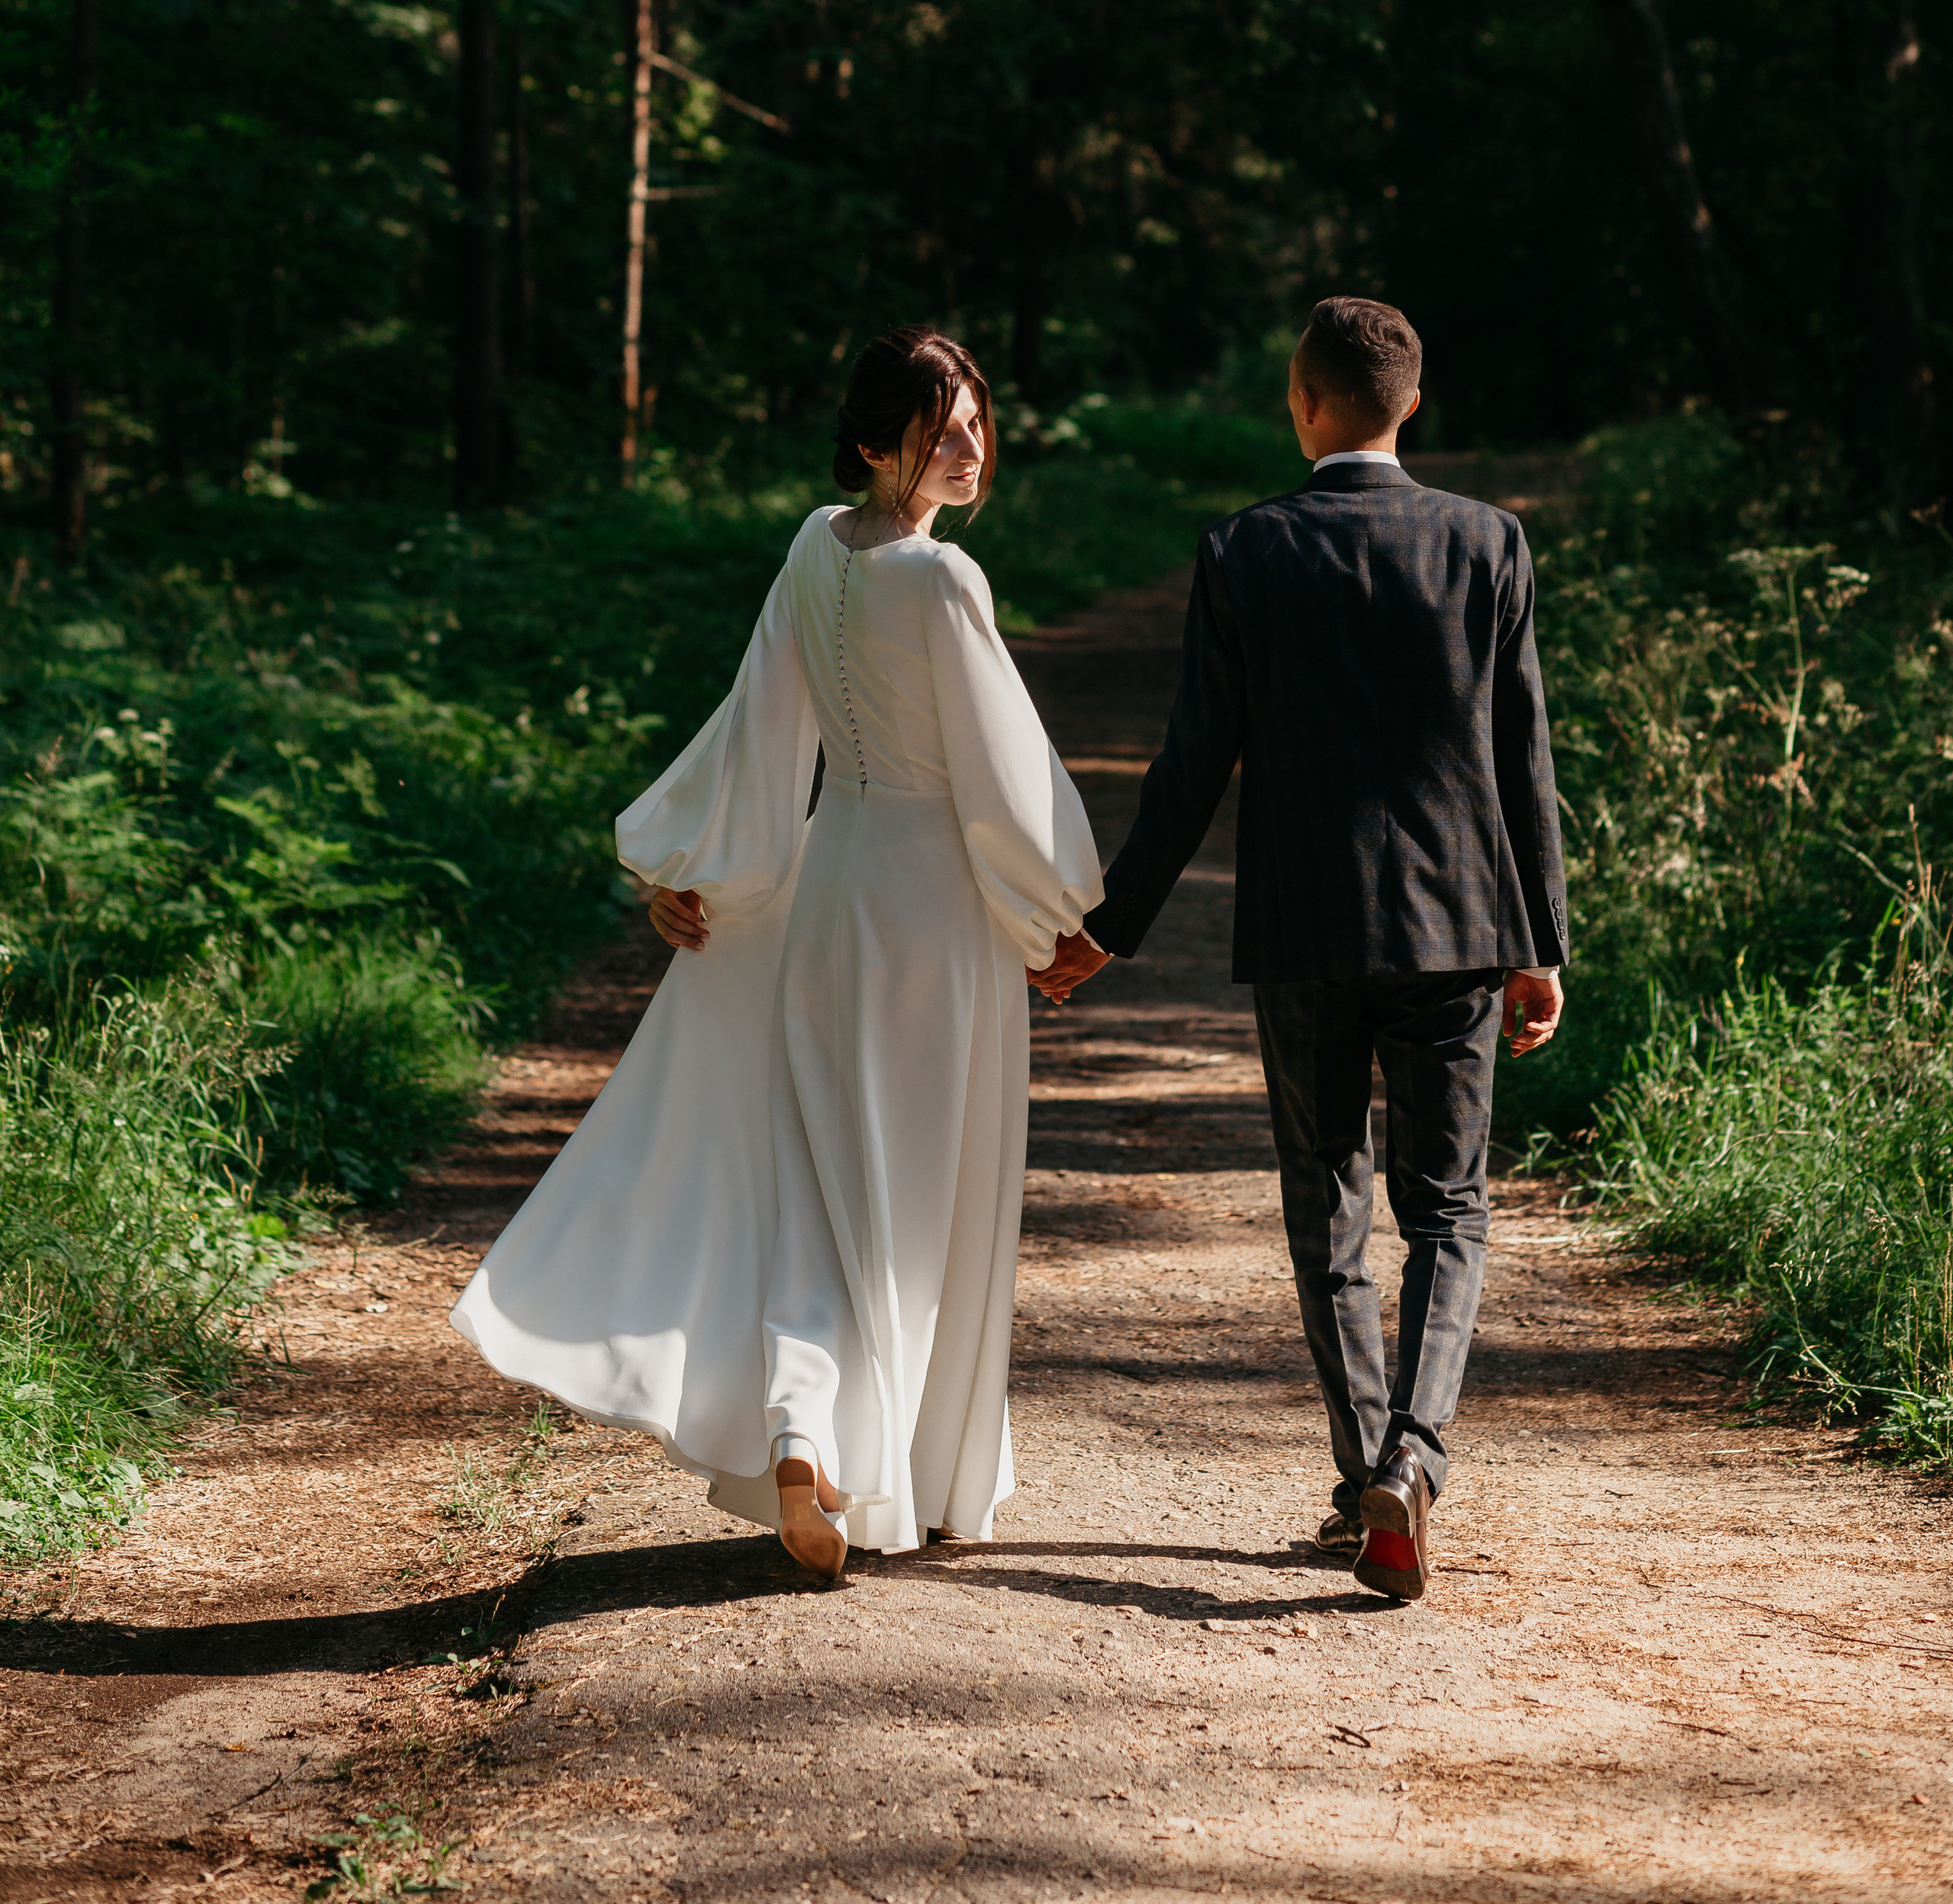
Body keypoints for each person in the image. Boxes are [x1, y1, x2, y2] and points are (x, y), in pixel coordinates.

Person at [449, 325, 1101, 1584]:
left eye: (975, 421)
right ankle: (908, 1466)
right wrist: (1059, 917)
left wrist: (690, 865)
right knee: (914, 1201)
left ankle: (808, 1437)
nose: (967, 447)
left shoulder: (815, 545)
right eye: (939, 428)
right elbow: (1002, 787)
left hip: (830, 888)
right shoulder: (944, 582)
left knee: (823, 1182)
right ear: (876, 442)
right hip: (934, 919)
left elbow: (757, 729)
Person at [1041, 296, 1567, 1602]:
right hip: (1458, 927)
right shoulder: (1488, 543)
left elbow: (1192, 764)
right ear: (1412, 407)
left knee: (1327, 1200)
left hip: (1305, 931)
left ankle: (1365, 1477)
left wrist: (1109, 928)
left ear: (1302, 404)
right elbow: (1524, 759)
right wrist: (1541, 942)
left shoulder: (1246, 550)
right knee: (1449, 1208)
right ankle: (1413, 1463)